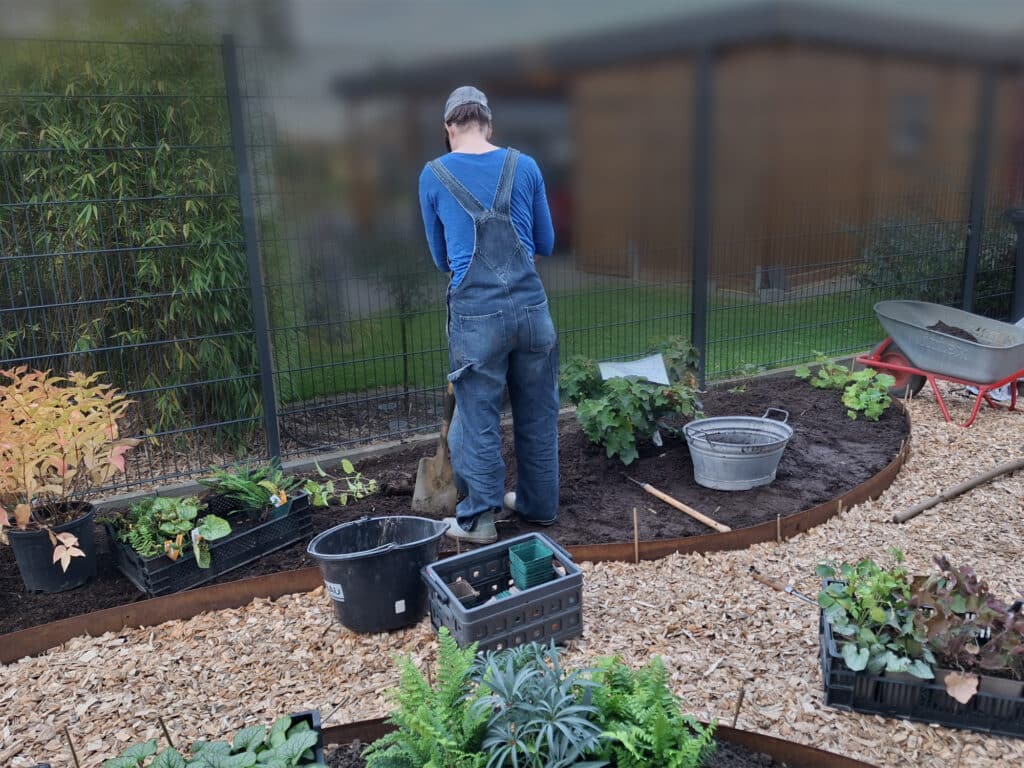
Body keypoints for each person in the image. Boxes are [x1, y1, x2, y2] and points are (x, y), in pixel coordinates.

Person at [418, 85, 559, 543]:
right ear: (489, 125)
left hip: (477, 319)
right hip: (533, 313)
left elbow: (442, 259)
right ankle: (539, 505)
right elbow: (547, 244)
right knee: (537, 412)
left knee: (478, 417)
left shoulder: (433, 175)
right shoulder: (526, 166)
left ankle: (479, 520)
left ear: (449, 128)